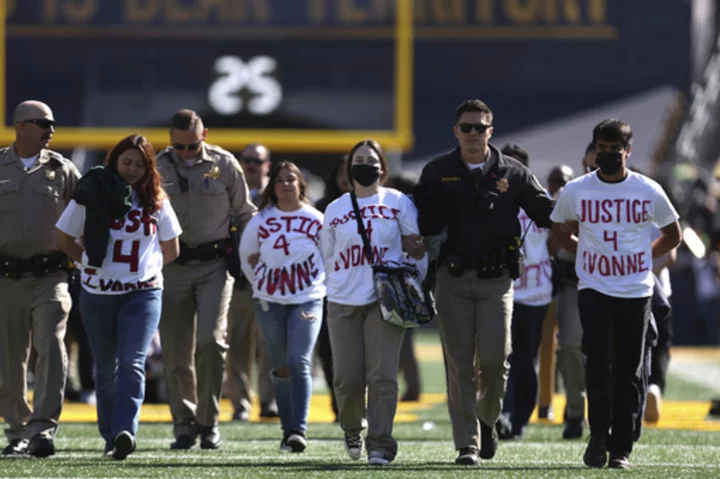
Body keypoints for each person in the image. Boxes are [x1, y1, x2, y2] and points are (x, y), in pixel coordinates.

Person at [413, 99, 554, 465]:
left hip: (496, 281)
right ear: (455, 131)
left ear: (491, 132)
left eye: (480, 127)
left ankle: (487, 420)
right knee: (458, 365)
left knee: (495, 362)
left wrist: (584, 205)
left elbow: (547, 211)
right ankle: (467, 444)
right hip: (452, 280)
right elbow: (415, 219)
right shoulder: (436, 170)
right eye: (467, 127)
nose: (473, 134)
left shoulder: (515, 172)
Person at [551, 119, 682, 469]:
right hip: (594, 287)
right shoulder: (577, 190)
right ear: (594, 151)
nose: (608, 155)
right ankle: (598, 436)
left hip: (636, 290)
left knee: (628, 369)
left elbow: (673, 234)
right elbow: (558, 232)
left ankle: (621, 447)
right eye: (602, 149)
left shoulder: (647, 189)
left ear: (628, 151)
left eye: (615, 149)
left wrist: (641, 256)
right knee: (597, 364)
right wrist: (582, 249)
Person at [55, 134, 182, 459]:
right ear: (114, 161)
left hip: (142, 292)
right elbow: (64, 236)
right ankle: (110, 435)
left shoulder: (156, 198)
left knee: (133, 362)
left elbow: (172, 248)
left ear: (149, 166)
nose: (133, 170)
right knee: (106, 366)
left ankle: (126, 429)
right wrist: (87, 263)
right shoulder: (92, 190)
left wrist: (145, 270)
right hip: (98, 293)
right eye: (127, 162)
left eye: (140, 164)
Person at [320, 139, 426, 466]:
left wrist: (416, 265)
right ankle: (352, 427)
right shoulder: (335, 208)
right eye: (359, 159)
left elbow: (414, 246)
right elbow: (328, 256)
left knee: (382, 377)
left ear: (383, 166)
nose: (366, 164)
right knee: (347, 379)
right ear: (350, 167)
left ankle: (381, 443)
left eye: (372, 159)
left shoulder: (398, 202)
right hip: (342, 300)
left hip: (385, 299)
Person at [156, 109, 256, 450]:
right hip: (171, 265)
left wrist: (245, 257)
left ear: (205, 135)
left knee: (212, 342)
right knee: (175, 349)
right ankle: (184, 424)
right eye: (179, 147)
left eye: (192, 146)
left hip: (214, 264)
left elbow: (245, 213)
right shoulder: (156, 165)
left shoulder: (225, 164)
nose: (185, 153)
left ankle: (209, 421)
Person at [0, 100, 80, 458]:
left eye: (52, 123)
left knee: (52, 345)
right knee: (8, 356)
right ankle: (16, 429)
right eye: (42, 122)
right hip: (6, 275)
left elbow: (83, 217)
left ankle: (42, 430)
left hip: (51, 274)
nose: (51, 129)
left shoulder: (63, 169)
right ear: (21, 126)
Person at [239, 161, 325, 452]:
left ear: (301, 184)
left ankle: (299, 429)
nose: (286, 184)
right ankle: (287, 430)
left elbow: (331, 256)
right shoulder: (260, 219)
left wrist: (313, 285)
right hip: (270, 300)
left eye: (291, 179)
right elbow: (246, 257)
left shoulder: (316, 219)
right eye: (280, 180)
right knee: (282, 365)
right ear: (272, 187)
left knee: (300, 360)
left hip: (307, 297)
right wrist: (265, 283)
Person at [495, 144, 553, 440]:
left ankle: (518, 419)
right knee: (499, 356)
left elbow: (557, 235)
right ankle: (501, 415)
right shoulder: (493, 199)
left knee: (524, 358)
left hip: (534, 293)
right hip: (500, 288)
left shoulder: (540, 200)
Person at [226, 143, 277, 421]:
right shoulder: (233, 192)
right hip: (239, 283)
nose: (250, 166)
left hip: (271, 282)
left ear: (267, 164)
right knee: (237, 345)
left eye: (256, 161)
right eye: (246, 160)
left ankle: (269, 400)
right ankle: (240, 404)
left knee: (270, 345)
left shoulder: (279, 191)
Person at [547, 159, 588, 440]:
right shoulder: (570, 194)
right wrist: (592, 250)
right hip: (576, 280)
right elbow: (556, 239)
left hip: (619, 281)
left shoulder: (630, 192)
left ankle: (611, 412)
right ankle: (576, 408)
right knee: (572, 344)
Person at [314, 156, 352, 421]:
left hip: (363, 288)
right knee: (328, 349)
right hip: (329, 289)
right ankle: (338, 403)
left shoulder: (376, 206)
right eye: (340, 171)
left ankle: (358, 403)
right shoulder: (322, 208)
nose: (344, 177)